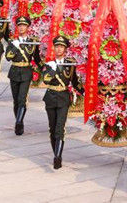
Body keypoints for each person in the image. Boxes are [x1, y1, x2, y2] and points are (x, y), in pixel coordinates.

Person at [42, 35, 83, 169]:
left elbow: (75, 82)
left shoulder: (70, 64)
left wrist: (86, 93)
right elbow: (46, 80)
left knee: (60, 129)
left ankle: (57, 157)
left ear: (65, 49)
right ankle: (56, 152)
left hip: (63, 98)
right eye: (57, 46)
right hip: (50, 97)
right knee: (52, 129)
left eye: (61, 47)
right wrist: (53, 70)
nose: (59, 49)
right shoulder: (49, 64)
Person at [5, 16, 41, 135]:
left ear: (27, 27)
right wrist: (15, 46)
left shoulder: (32, 42)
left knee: (22, 99)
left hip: (26, 72)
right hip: (14, 71)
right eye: (19, 25)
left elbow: (37, 59)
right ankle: (18, 120)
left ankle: (19, 122)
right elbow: (8, 57)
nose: (21, 27)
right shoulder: (12, 42)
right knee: (16, 100)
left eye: (24, 25)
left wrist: (46, 70)